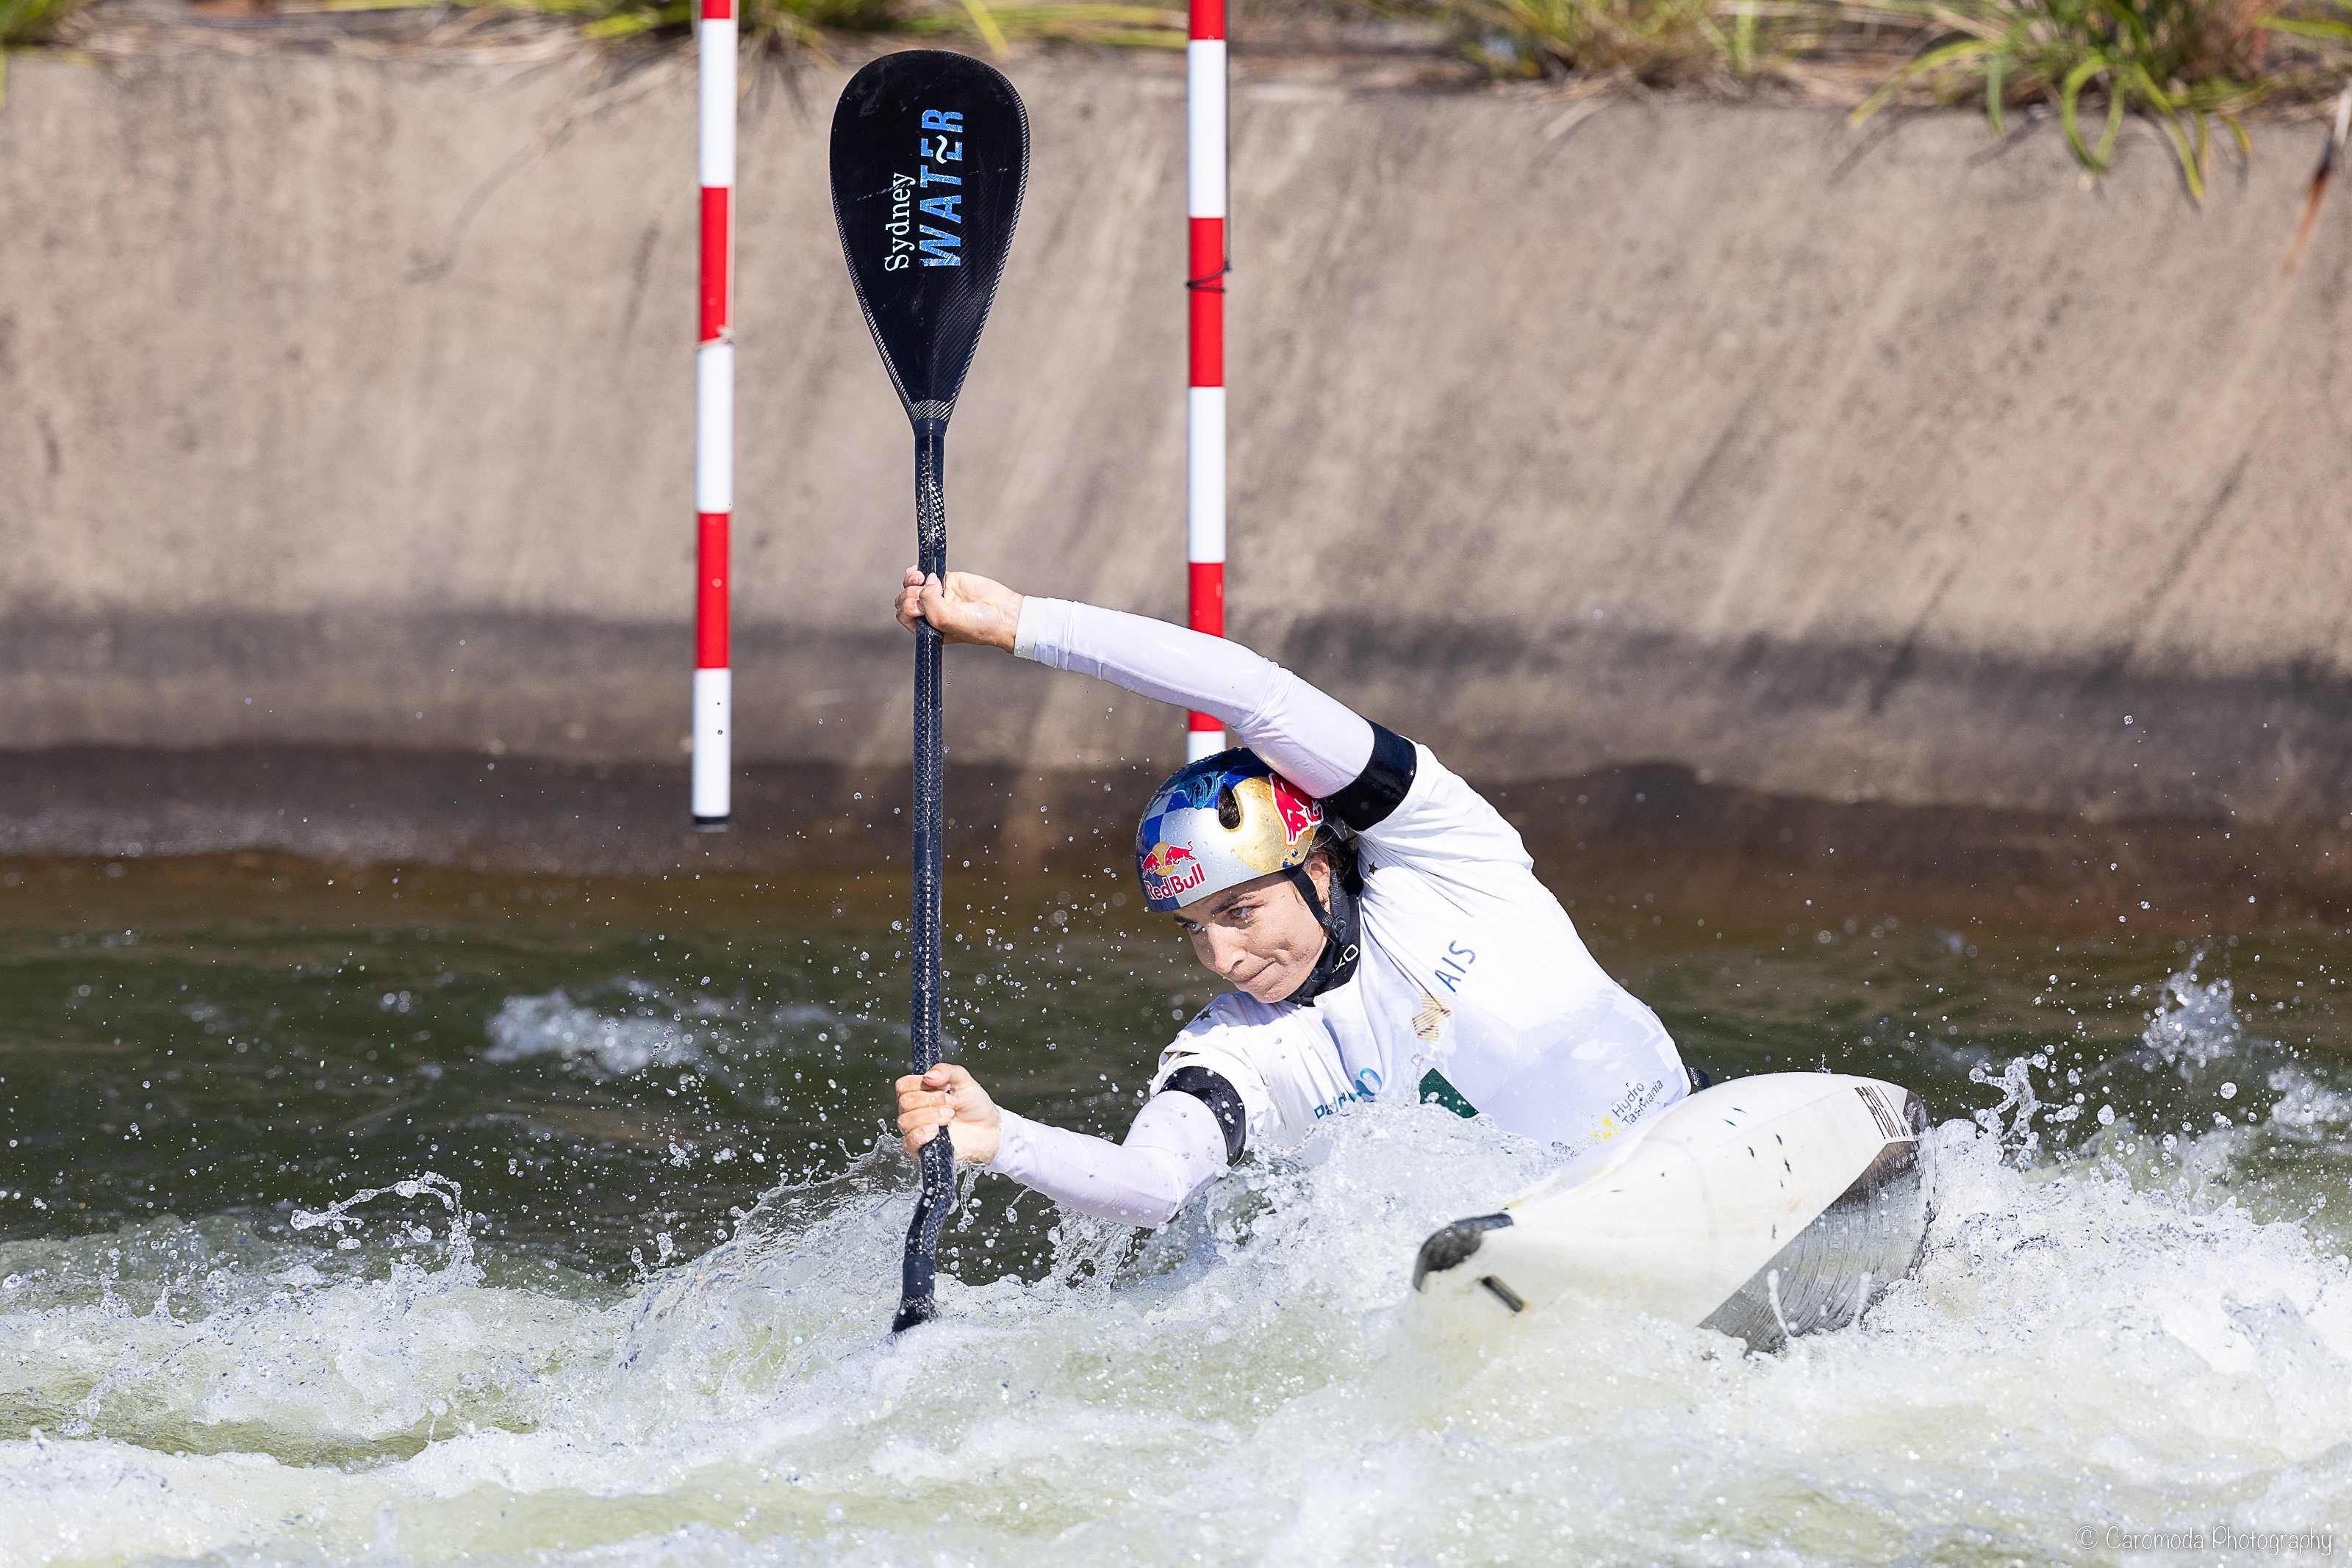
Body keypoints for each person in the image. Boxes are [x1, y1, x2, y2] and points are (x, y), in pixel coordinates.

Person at [890, 568, 1692, 1227]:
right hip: (1513, 1258)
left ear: (1314, 869)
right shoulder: (1237, 1049)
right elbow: (1154, 1182)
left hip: (1668, 1149)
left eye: (1237, 911)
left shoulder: (1441, 855)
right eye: (1194, 929)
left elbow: (1253, 693)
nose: (1220, 956)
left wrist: (1026, 622)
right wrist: (1001, 1138)